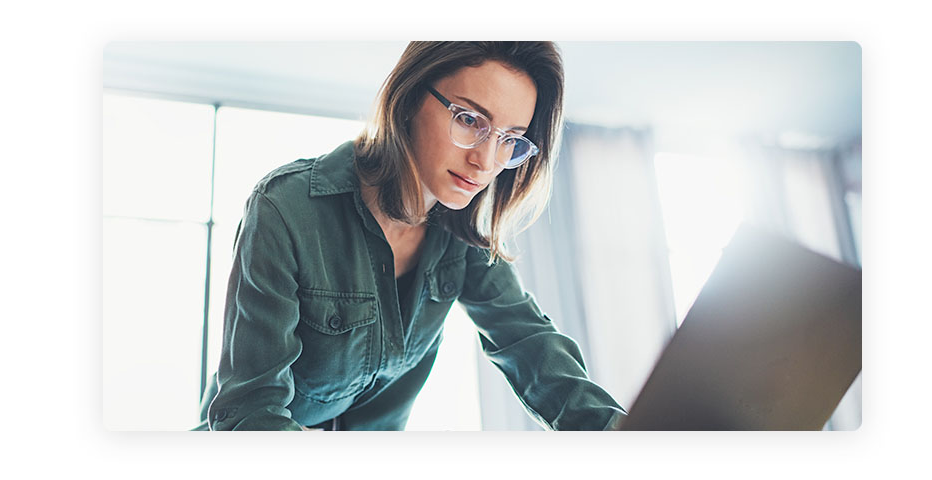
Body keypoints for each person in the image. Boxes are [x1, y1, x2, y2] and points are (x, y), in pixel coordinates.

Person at [194, 41, 626, 431]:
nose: (484, 161)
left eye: (509, 140)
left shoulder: (462, 238)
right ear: (409, 98)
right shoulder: (285, 208)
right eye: (469, 119)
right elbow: (249, 412)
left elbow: (530, 345)